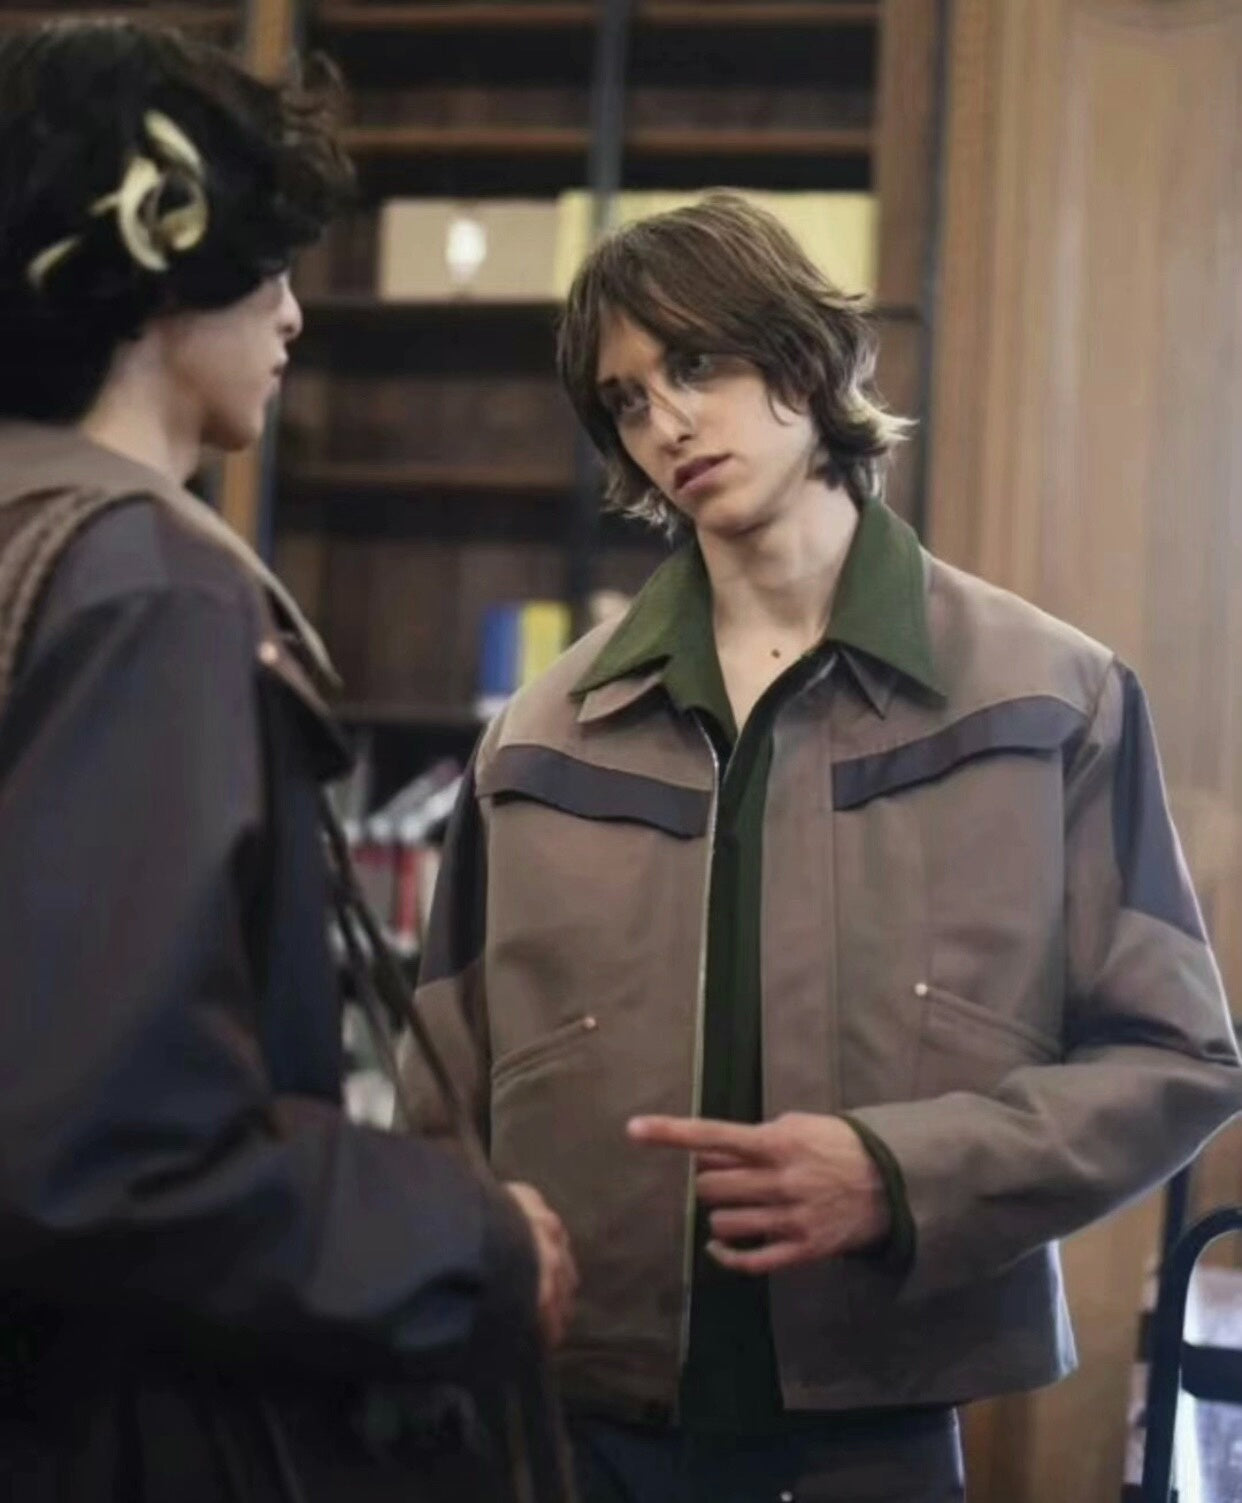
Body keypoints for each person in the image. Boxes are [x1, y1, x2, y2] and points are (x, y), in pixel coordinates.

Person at [401, 191, 1242, 1503]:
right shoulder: (538, 737)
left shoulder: (1048, 698)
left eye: (696, 364)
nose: (666, 422)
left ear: (804, 358)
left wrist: (901, 1178)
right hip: (573, 1431)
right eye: (626, 400)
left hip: (875, 1431)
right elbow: (439, 1098)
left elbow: (1174, 1058)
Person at [0, 19, 576, 1502]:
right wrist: (473, 1241)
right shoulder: (148, 588)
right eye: (266, 265)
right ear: (159, 266)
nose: (295, 315)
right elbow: (113, 1152)